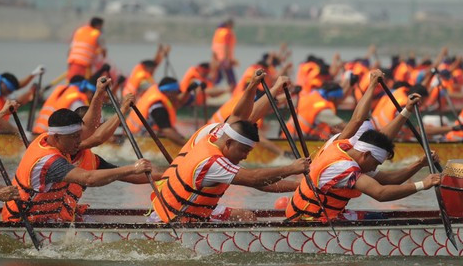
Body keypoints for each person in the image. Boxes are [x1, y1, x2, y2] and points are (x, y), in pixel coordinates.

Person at [1, 108, 153, 223]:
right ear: (57, 137)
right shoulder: (50, 161)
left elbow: (90, 129)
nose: (80, 142)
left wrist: (99, 93)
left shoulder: (49, 138)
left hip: (48, 219)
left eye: (79, 136)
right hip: (21, 222)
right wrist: (133, 168)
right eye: (74, 138)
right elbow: (88, 178)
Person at [150, 119, 310, 223]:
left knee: (246, 217)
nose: (245, 156)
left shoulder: (211, 139)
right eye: (243, 151)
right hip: (174, 219)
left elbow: (262, 184)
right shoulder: (213, 163)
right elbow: (254, 179)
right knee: (247, 219)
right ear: (229, 143)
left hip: (184, 210)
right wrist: (291, 168)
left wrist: (301, 186)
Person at [285, 126, 440, 222]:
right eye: (375, 164)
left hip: (305, 213)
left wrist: (420, 164)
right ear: (366, 155)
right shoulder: (344, 168)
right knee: (381, 221)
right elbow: (381, 193)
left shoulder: (339, 146)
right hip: (310, 219)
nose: (374, 168)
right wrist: (423, 184)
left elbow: (388, 179)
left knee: (381, 218)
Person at [126, 77, 194, 146]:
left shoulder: (159, 93)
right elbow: (167, 131)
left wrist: (188, 91)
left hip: (133, 134)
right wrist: (188, 146)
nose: (177, 96)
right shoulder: (158, 107)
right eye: (176, 93)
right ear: (169, 92)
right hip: (137, 139)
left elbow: (180, 102)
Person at [211, 18, 237, 88]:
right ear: (228, 25)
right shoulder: (227, 33)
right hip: (224, 58)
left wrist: (213, 59)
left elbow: (215, 46)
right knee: (230, 76)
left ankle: (210, 86)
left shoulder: (218, 32)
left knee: (218, 76)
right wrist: (227, 59)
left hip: (217, 57)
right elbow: (226, 46)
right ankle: (233, 89)